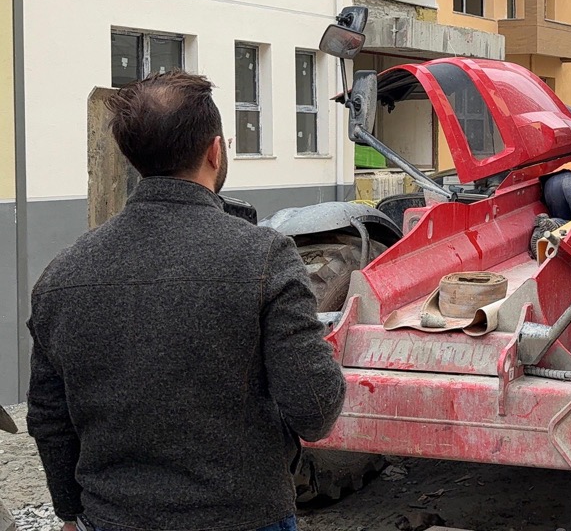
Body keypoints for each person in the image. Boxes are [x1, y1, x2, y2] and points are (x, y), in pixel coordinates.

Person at [26, 71, 346, 531]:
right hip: (244, 517)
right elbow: (316, 410)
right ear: (215, 150)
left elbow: (49, 418)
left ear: (133, 156)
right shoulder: (265, 257)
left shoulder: (60, 274)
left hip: (112, 518)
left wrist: (69, 512)